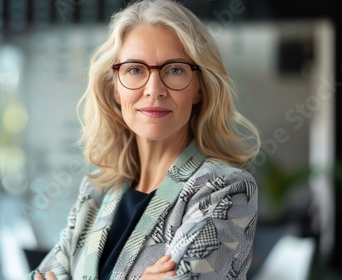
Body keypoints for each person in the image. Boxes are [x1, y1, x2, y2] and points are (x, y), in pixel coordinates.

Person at [28, 0, 260, 279]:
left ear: (199, 88)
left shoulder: (225, 190)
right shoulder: (97, 190)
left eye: (174, 69)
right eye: (135, 69)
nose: (154, 89)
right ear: (115, 88)